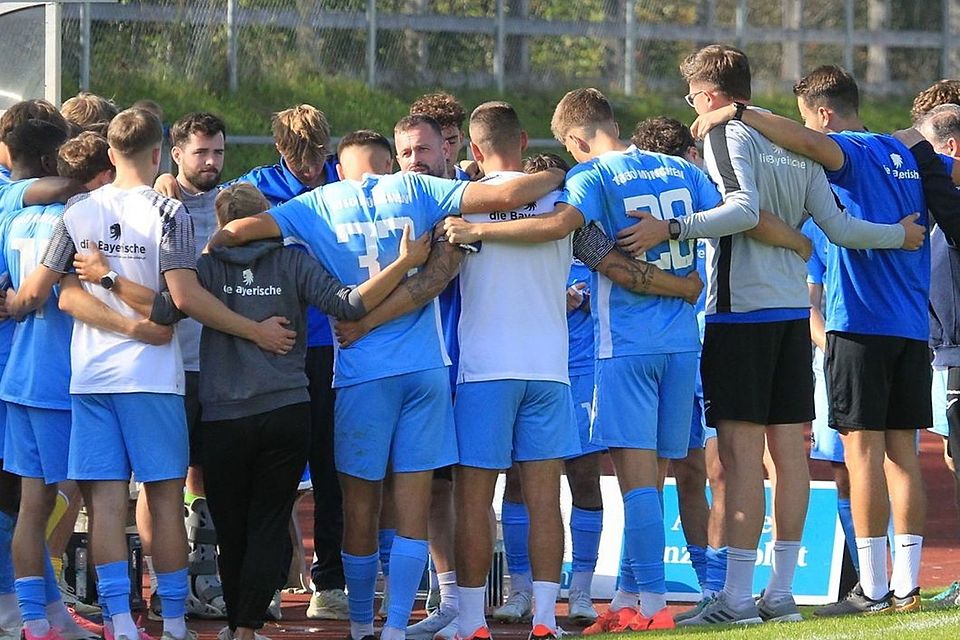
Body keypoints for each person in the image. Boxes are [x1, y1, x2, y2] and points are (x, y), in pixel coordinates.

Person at [208, 128, 565, 640]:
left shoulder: (319, 202)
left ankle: (359, 627)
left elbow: (240, 230)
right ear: (387, 161)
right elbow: (509, 193)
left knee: (359, 508)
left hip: (360, 373)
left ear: (343, 166)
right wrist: (555, 173)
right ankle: (398, 627)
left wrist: (218, 245)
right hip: (425, 370)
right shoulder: (417, 190)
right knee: (414, 510)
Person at [444, 87, 725, 634]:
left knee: (637, 483)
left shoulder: (590, 180)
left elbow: (574, 237)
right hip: (680, 343)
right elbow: (726, 213)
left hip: (622, 343)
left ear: (575, 139)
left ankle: (651, 609)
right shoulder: (676, 168)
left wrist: (479, 229)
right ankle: (626, 598)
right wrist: (684, 284)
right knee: (661, 477)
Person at [688, 62, 953, 618]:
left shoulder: (842, 152)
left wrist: (736, 112)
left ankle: (874, 591)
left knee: (860, 457)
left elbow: (803, 164)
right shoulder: (903, 151)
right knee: (901, 455)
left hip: (857, 322)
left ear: (823, 113)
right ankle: (904, 587)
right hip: (909, 322)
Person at [32, 108, 295, 640]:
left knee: (106, 502)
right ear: (158, 155)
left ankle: (121, 622)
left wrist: (101, 284)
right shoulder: (168, 212)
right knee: (166, 497)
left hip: (92, 379)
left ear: (110, 154)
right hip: (151, 378)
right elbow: (177, 302)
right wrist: (140, 326)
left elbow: (59, 293)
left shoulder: (77, 210)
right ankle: (173, 620)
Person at [0, 122, 110, 640]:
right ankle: (117, 614)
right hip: (64, 378)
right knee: (92, 492)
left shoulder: (12, 218)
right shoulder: (76, 221)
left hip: (20, 373)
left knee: (32, 502)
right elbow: (67, 294)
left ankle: (39, 618)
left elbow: (13, 293)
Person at [141, 112, 230, 621]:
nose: (212, 161)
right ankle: (163, 588)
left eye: (218, 151)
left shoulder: (230, 206)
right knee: (162, 482)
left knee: (212, 478)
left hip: (218, 368)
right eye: (201, 152)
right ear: (176, 154)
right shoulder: (156, 206)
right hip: (165, 367)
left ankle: (206, 577)